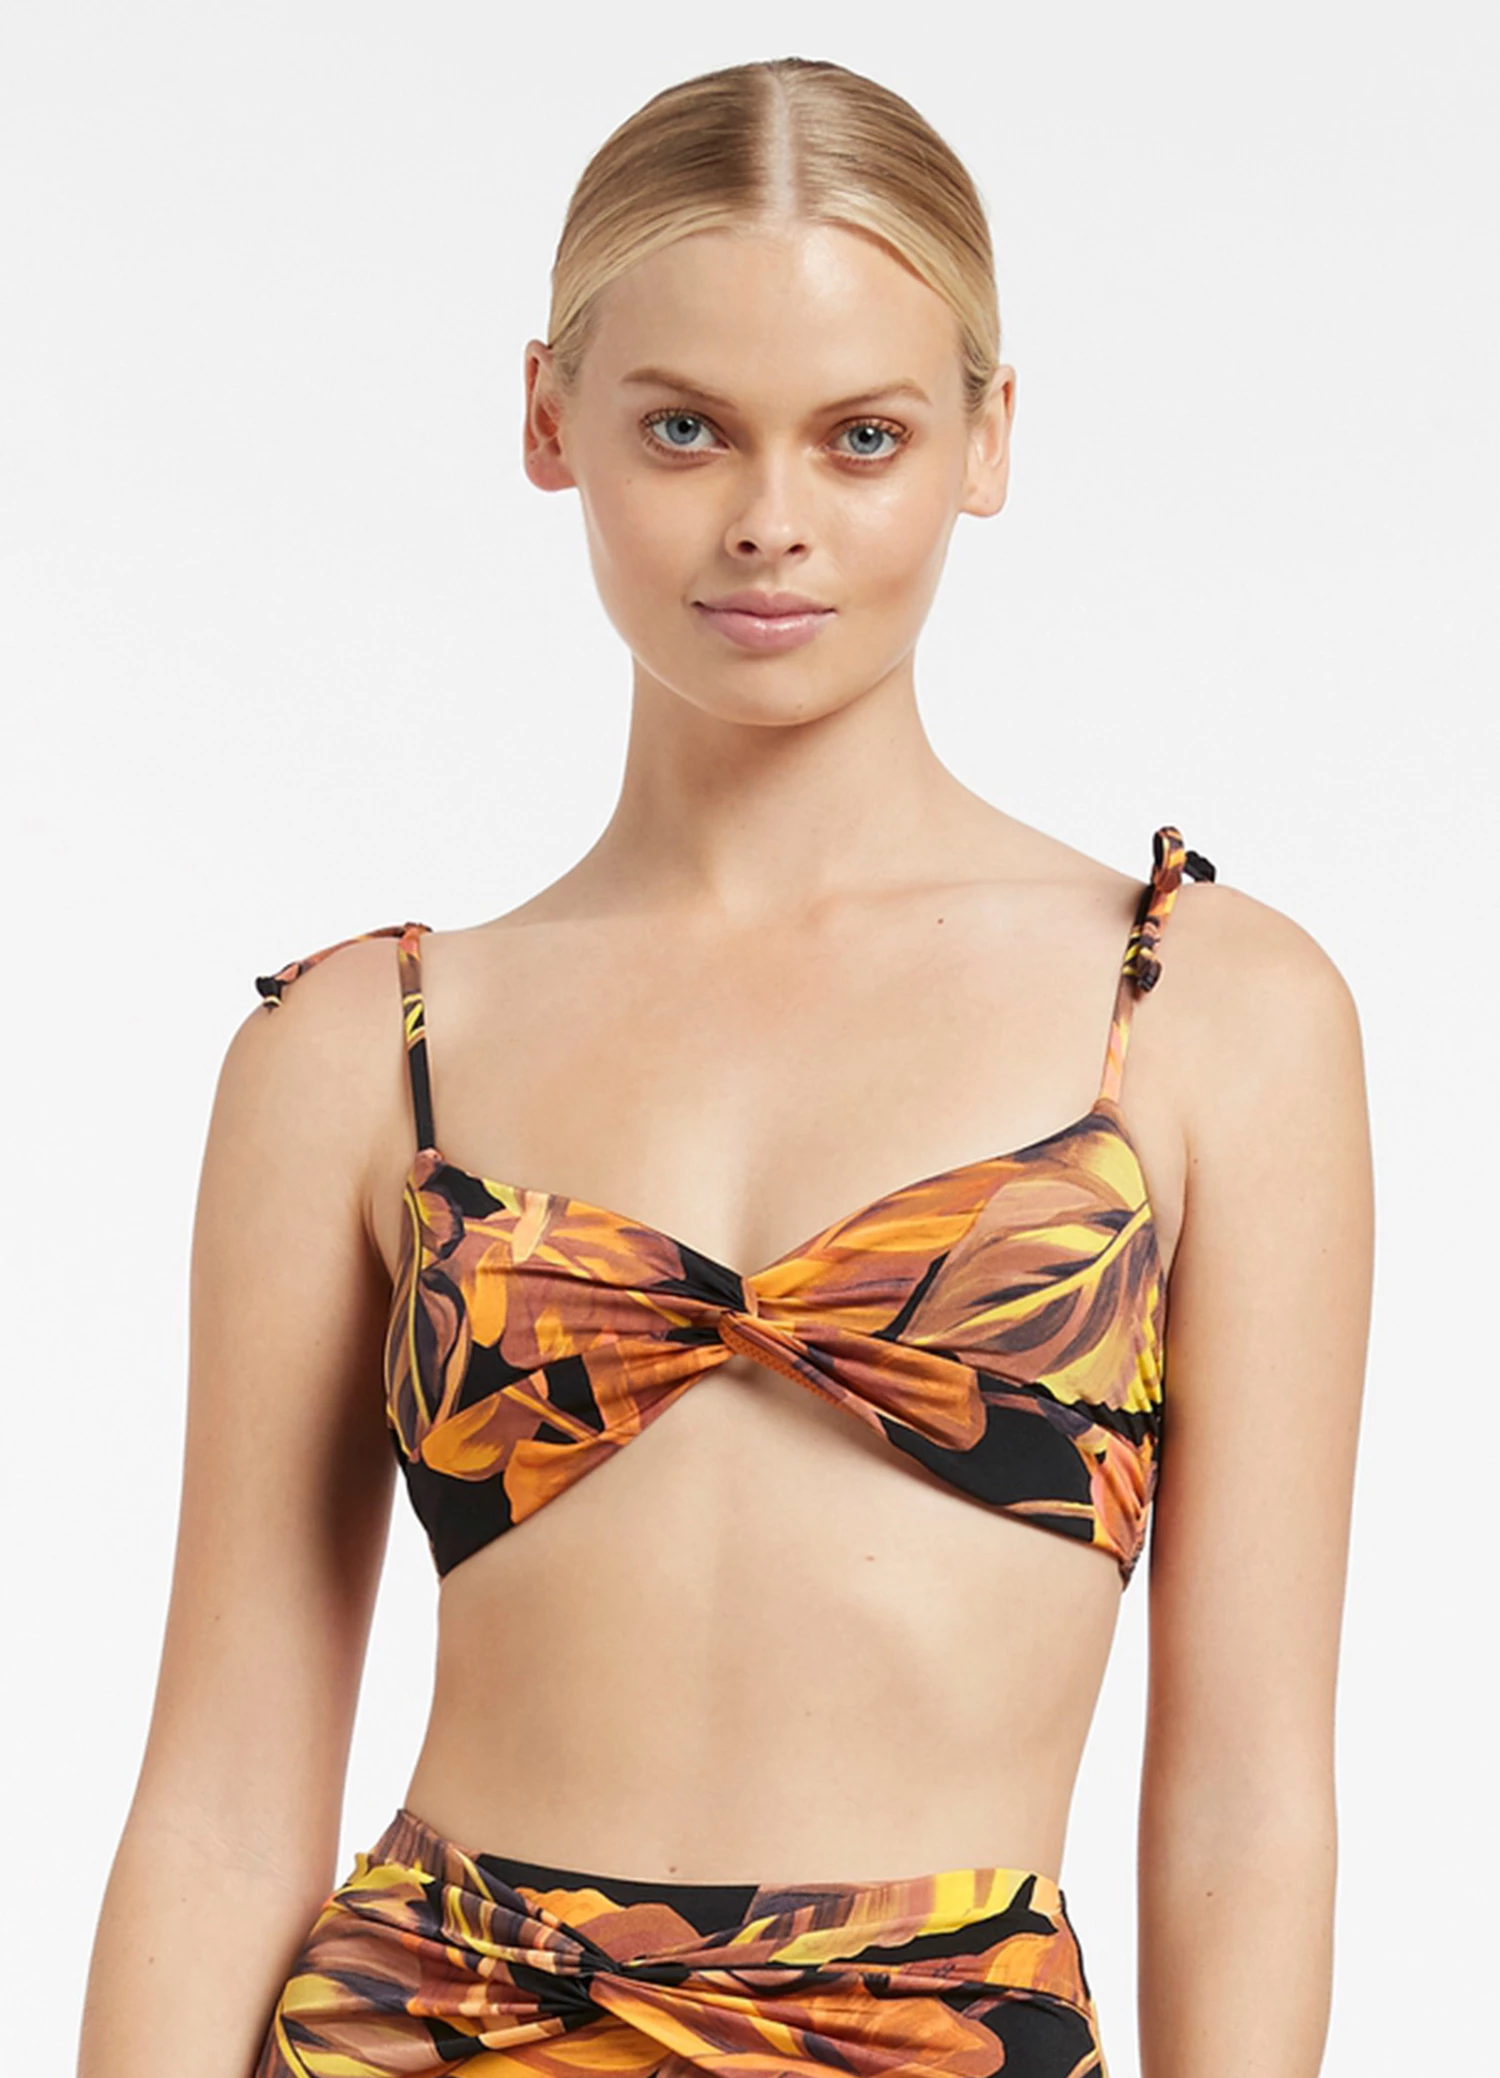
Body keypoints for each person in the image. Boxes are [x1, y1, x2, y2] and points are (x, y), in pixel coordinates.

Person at [77, 55, 1372, 2078]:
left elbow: (1246, 1803)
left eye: (862, 437)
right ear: (549, 418)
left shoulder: (1210, 1016)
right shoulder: (351, 1057)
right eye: (684, 428)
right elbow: (224, 1792)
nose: (772, 523)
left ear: (985, 440)